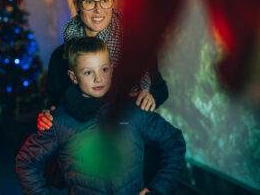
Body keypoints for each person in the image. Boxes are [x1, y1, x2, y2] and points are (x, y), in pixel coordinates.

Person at [16, 37, 186, 195]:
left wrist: (157, 189)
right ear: (73, 77)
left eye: (103, 69)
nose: (98, 79)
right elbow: (26, 162)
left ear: (112, 69)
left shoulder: (133, 109)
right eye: (88, 72)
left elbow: (174, 142)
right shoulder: (59, 121)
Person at [38, 0, 168, 131]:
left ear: (112, 1)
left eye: (105, 0)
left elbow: (161, 89)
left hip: (132, 140)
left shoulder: (137, 47)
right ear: (77, 4)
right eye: (89, 2)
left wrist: (150, 96)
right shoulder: (60, 57)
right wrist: (45, 117)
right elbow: (53, 104)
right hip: (83, 147)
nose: (99, 10)